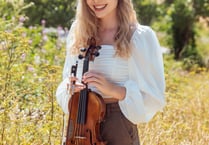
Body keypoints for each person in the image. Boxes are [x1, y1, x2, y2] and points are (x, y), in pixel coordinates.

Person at [56, 0, 166, 145]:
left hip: (116, 122)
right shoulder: (79, 30)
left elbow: (154, 96)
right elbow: (67, 76)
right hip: (79, 122)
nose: (96, 1)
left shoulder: (139, 36)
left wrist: (114, 89)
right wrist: (70, 87)